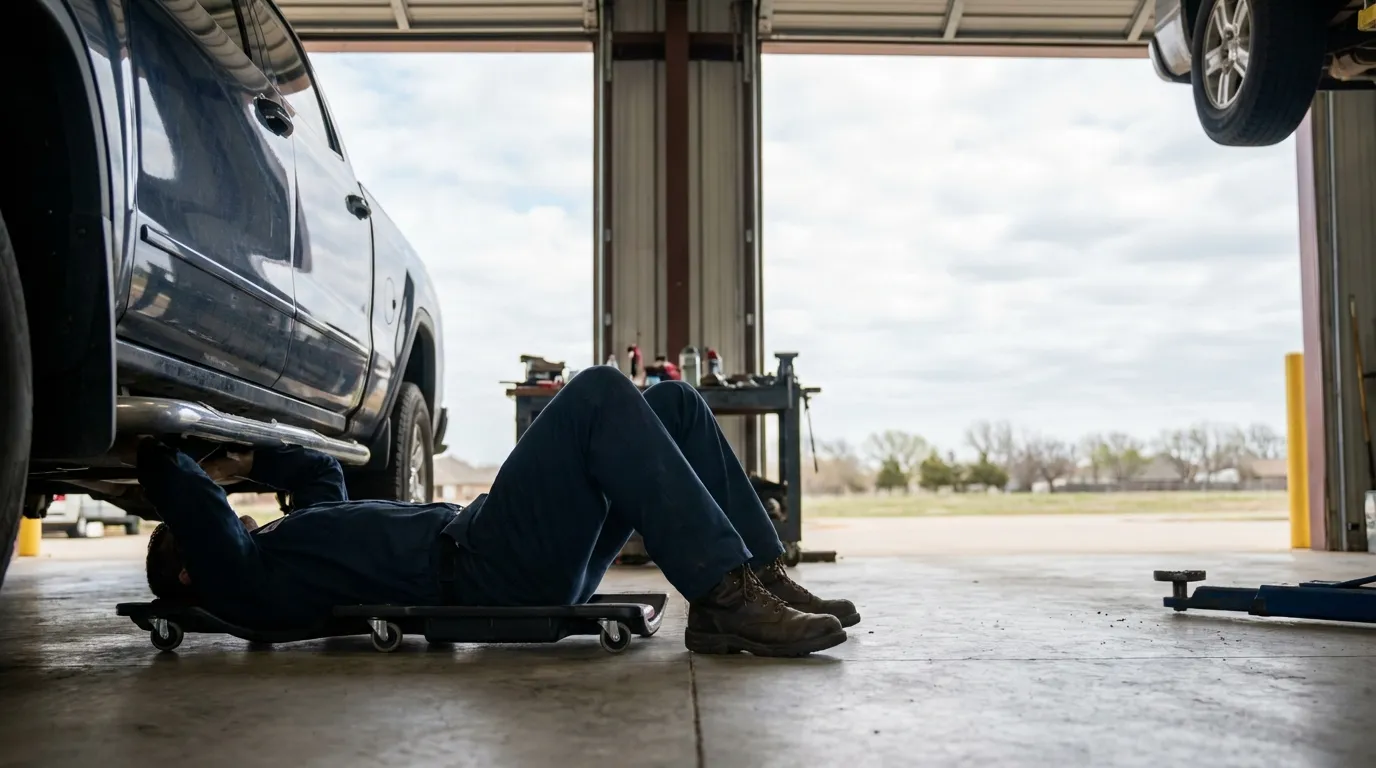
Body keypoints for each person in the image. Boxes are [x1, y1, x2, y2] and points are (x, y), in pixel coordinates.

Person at [138, 366, 860, 657]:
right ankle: (723, 593)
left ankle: (755, 576)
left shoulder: (291, 539)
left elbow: (320, 470)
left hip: (502, 548)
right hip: (484, 566)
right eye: (193, 538)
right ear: (192, 575)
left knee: (672, 402)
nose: (227, 519)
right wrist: (172, 458)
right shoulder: (250, 587)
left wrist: (245, 461)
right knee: (599, 392)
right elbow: (193, 509)